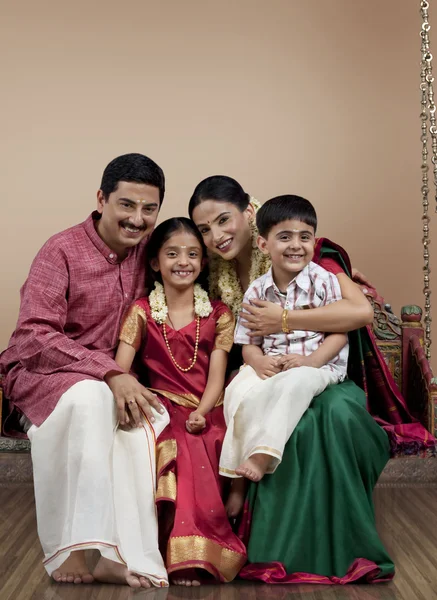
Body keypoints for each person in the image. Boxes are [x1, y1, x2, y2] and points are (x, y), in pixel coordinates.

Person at [189, 175, 433, 584]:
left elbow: (358, 314)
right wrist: (253, 362)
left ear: (249, 213)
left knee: (325, 419)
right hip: (267, 371)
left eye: (223, 220)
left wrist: (284, 322)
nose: (215, 235)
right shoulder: (217, 277)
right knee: (240, 402)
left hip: (324, 371)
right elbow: (238, 338)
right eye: (204, 229)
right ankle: (257, 530)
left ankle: (337, 549)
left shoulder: (316, 259)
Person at [0, 153, 170, 588]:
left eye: (149, 209)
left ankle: (118, 552)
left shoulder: (151, 254)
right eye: (127, 205)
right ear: (101, 199)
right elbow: (34, 335)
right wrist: (109, 372)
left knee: (145, 421)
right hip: (45, 372)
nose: (137, 219)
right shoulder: (61, 250)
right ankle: (73, 550)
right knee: (93, 398)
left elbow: (218, 260)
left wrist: (336, 271)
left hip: (120, 379)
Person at [115, 217, 247, 586]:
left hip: (207, 405)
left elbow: (217, 376)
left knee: (201, 437)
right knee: (174, 440)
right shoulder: (142, 310)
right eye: (172, 253)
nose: (183, 261)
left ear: (204, 263)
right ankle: (168, 550)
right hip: (159, 405)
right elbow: (120, 369)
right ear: (156, 262)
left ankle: (201, 552)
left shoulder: (219, 313)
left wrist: (202, 412)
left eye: (192, 254)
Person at [220, 196, 349, 496]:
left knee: (296, 382)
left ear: (314, 242)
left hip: (317, 364)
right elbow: (248, 344)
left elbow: (339, 334)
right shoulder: (257, 289)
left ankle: (264, 454)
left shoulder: (325, 281)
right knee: (237, 390)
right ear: (264, 245)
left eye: (304, 237)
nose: (295, 245)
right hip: (272, 362)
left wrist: (310, 362)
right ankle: (236, 484)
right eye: (284, 237)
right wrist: (258, 363)